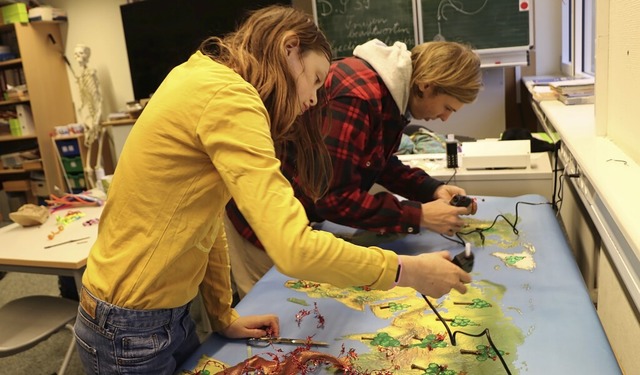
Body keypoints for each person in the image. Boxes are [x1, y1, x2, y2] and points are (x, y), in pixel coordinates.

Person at [73, 6, 471, 374]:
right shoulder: (232, 99)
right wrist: (408, 271)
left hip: (164, 312)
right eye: (315, 79)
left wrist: (221, 312)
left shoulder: (201, 76)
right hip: (130, 323)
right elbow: (294, 249)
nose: (315, 97)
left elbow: (205, 221)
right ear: (289, 49)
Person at [226, 39, 483, 299]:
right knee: (275, 317)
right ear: (426, 85)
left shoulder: (388, 95)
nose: (445, 118)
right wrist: (417, 216)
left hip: (296, 217)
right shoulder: (357, 98)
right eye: (447, 107)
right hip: (260, 224)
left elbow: (376, 161)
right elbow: (334, 199)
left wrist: (432, 189)